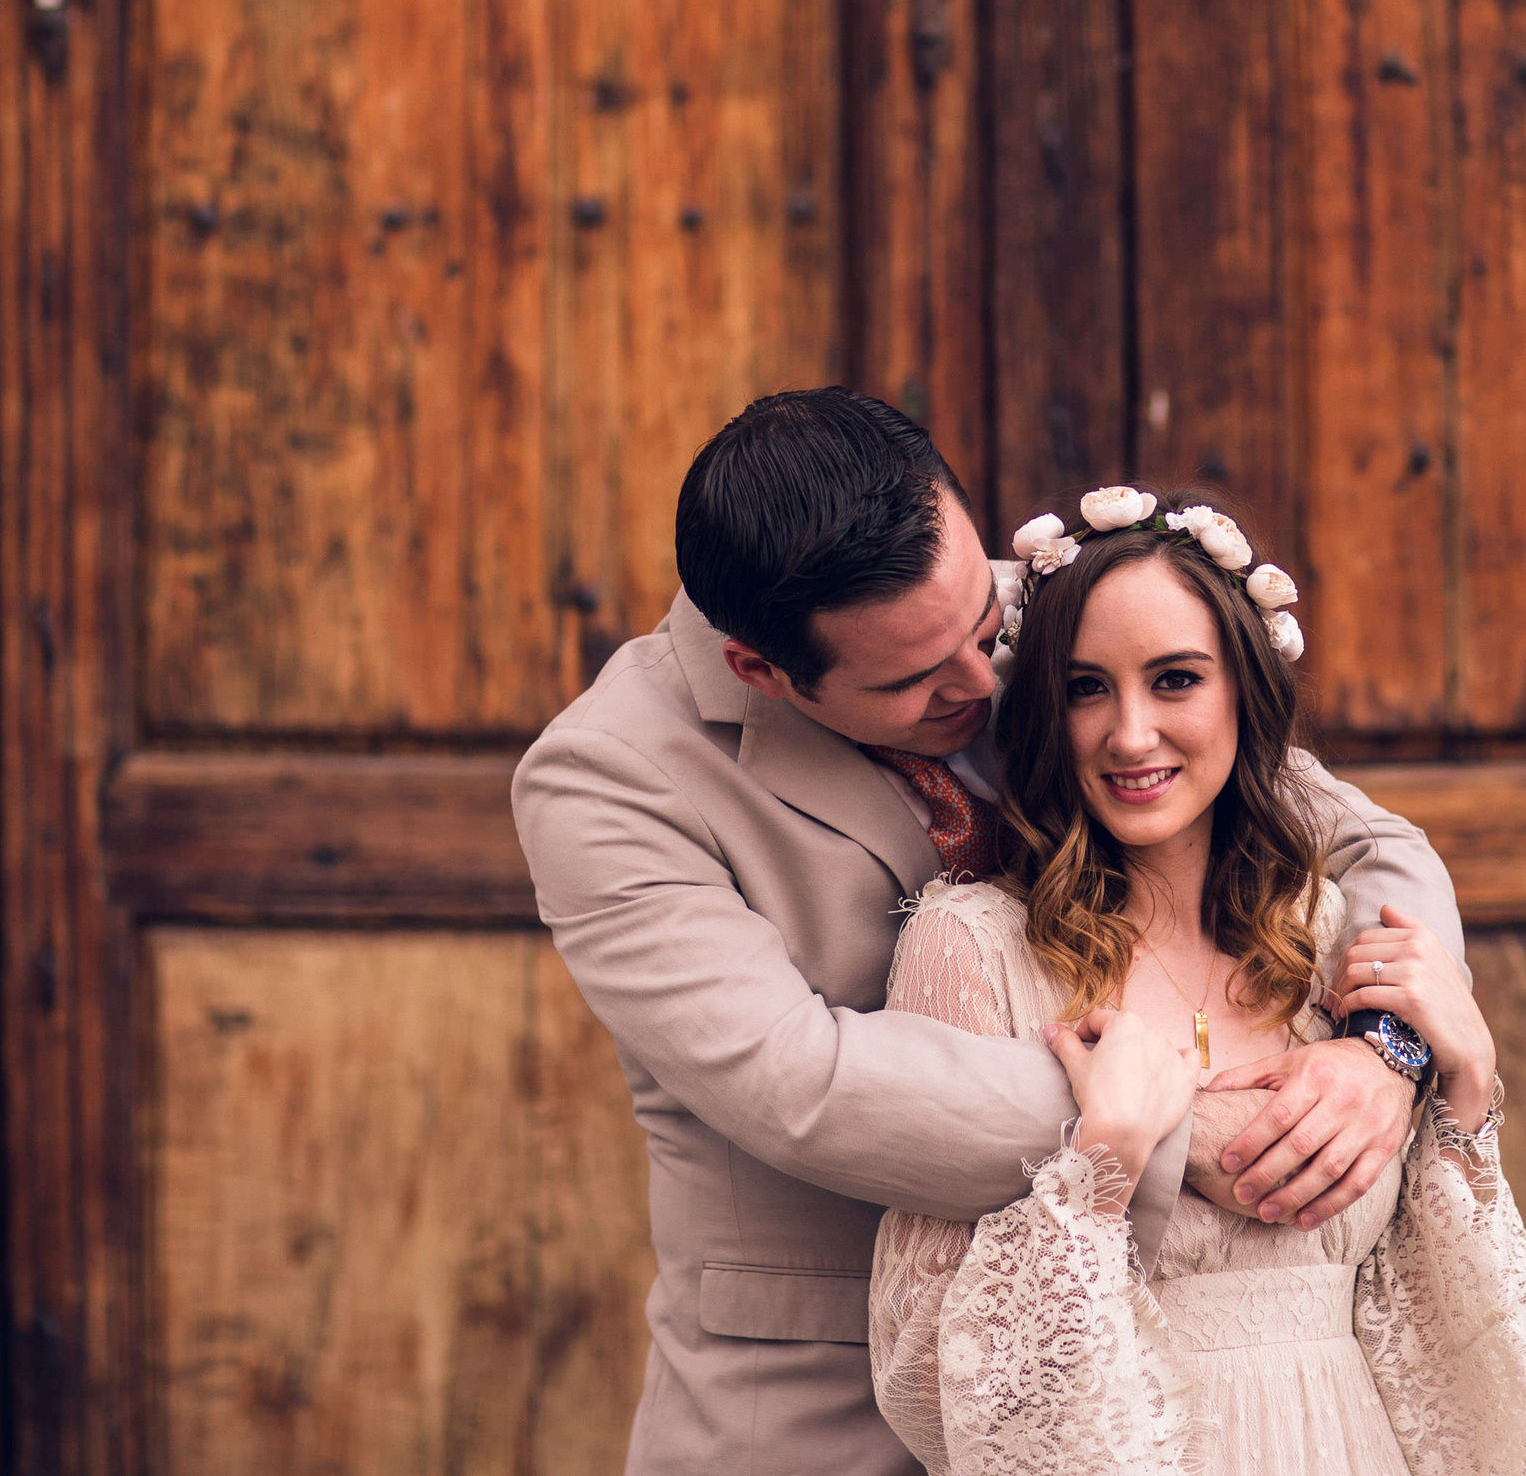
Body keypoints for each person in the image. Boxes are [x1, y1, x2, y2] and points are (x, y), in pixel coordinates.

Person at [510, 390, 1466, 1475]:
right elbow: (793, 1073)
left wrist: (1386, 1050)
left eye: (981, 627)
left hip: (1137, 1392)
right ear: (762, 671)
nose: (984, 682)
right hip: (816, 1407)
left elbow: (1363, 842)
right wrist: (1153, 1120)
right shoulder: (606, 778)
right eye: (913, 680)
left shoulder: (1051, 616)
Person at [868, 488, 1526, 1476]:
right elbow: (920, 1373)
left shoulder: (1328, 939)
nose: (1128, 734)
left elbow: (1452, 1331)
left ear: (1244, 693)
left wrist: (1461, 1083)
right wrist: (1105, 1161)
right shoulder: (971, 945)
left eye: (1174, 679)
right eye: (1085, 688)